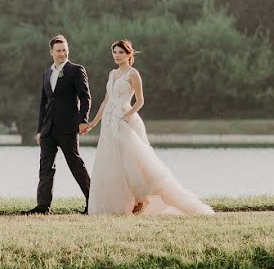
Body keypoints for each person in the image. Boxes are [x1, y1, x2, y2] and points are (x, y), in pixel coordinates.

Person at [83, 40, 214, 215]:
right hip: (108, 123)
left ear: (129, 54)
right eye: (114, 52)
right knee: (111, 163)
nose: (117, 55)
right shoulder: (112, 73)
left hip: (124, 120)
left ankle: (141, 198)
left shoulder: (133, 73)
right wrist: (93, 123)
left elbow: (140, 101)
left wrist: (126, 114)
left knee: (131, 162)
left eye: (121, 52)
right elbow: (106, 101)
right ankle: (121, 205)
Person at [22, 35, 92, 215]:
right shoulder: (47, 73)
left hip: (68, 128)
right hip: (48, 130)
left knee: (76, 164)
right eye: (59, 50)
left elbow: (85, 97)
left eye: (65, 50)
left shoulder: (76, 70)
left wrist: (83, 120)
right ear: (51, 52)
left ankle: (93, 202)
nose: (62, 53)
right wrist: (39, 130)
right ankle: (42, 207)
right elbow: (43, 103)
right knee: (45, 167)